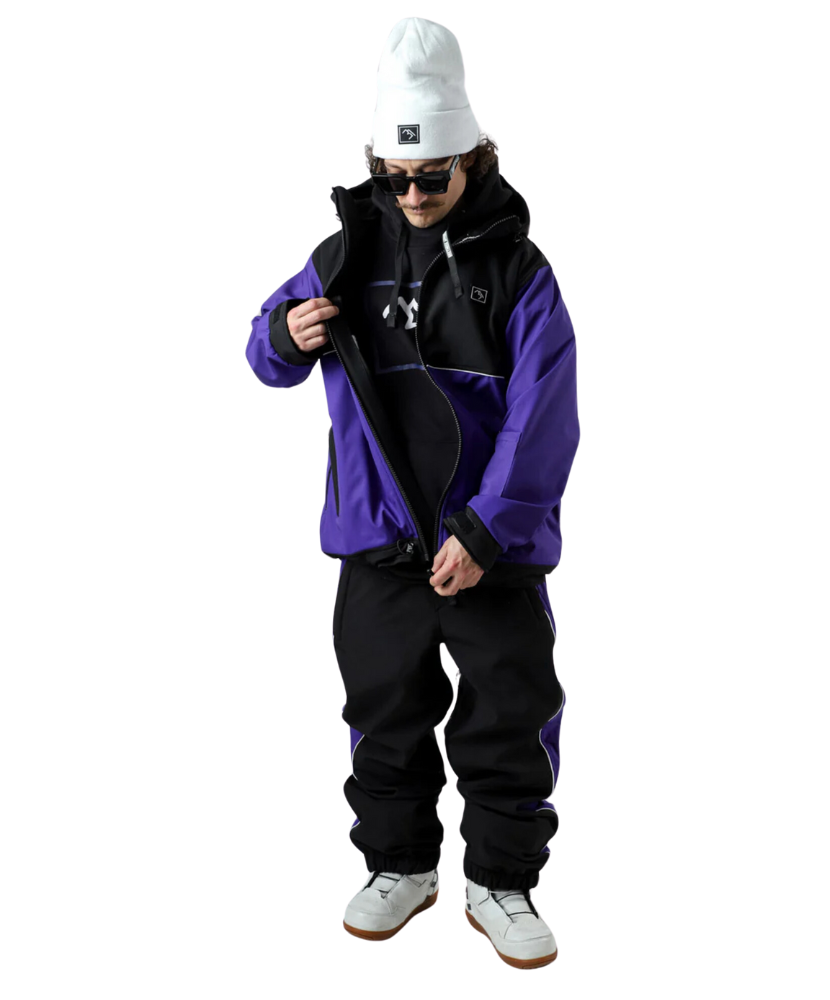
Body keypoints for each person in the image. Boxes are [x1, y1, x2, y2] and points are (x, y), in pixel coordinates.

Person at [245, 17, 579, 970]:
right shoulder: (343, 254)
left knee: (510, 715)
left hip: (490, 553)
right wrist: (283, 334)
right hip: (377, 543)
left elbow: (544, 418)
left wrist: (484, 530)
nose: (415, 196)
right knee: (382, 713)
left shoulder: (521, 273)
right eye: (396, 179)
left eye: (433, 176)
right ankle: (401, 865)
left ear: (472, 157)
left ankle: (502, 880)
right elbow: (264, 350)